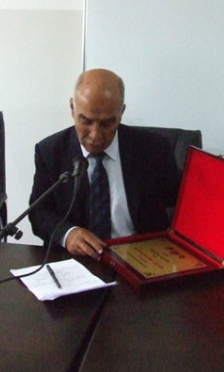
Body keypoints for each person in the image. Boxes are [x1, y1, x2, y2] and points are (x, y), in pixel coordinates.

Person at [29, 68, 180, 260]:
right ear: (72, 108)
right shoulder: (51, 152)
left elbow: (183, 200)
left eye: (107, 124)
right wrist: (68, 234)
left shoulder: (153, 150)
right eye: (86, 121)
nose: (95, 135)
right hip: (77, 261)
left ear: (121, 112)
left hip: (141, 260)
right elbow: (39, 212)